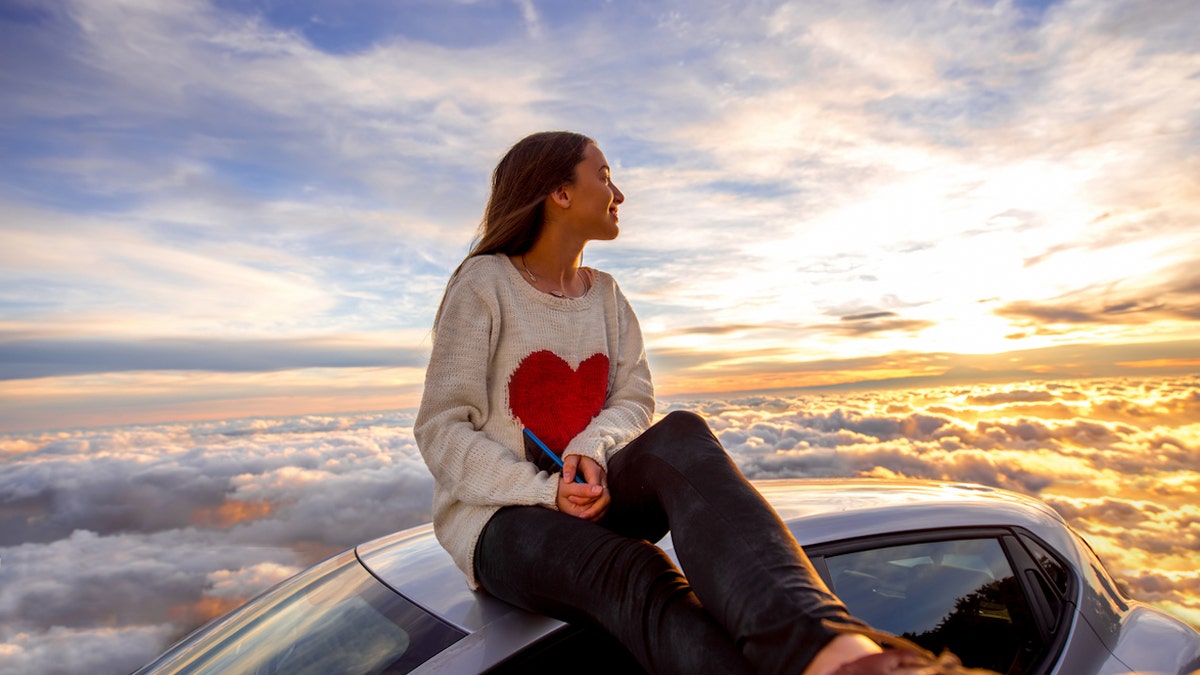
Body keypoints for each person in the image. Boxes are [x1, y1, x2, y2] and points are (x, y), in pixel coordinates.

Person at [414, 131, 990, 675]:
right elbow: (441, 429)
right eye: (605, 176)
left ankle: (829, 652)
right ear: (560, 194)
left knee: (683, 433)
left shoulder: (607, 295)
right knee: (636, 571)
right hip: (500, 520)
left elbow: (635, 398)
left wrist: (590, 447)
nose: (619, 193)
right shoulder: (483, 284)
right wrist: (542, 490)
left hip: (591, 491)